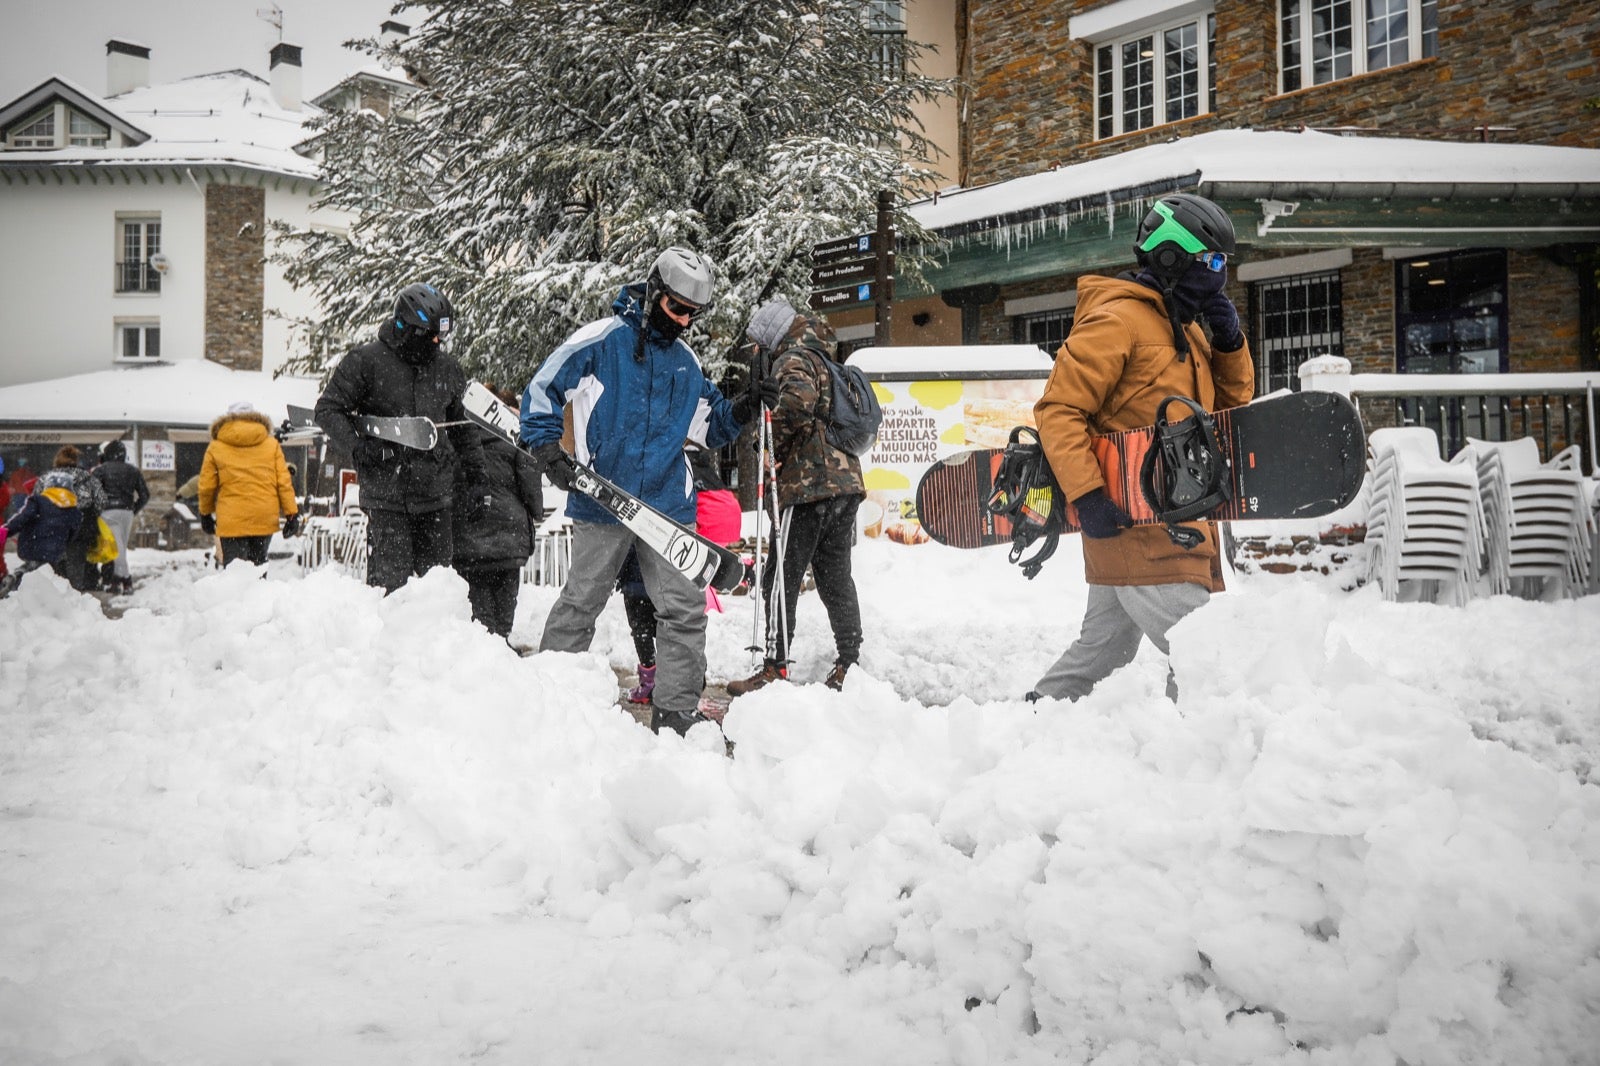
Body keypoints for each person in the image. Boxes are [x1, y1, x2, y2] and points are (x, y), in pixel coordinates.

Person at [1026, 192, 1255, 703]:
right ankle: (1206, 756)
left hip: (1178, 517)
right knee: (1205, 655)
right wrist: (1087, 497)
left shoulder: (1190, 327)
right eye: (1212, 261)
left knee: (1104, 650)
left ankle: (1036, 723)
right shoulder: (1116, 322)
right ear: (1172, 255)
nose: (1220, 274)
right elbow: (1059, 410)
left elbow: (1233, 408)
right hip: (1139, 525)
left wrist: (1228, 342)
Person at [520, 247, 758, 735]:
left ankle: (676, 712)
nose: (684, 321)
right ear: (653, 294)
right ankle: (549, 700)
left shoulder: (686, 364)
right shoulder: (602, 341)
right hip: (602, 495)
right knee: (583, 599)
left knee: (684, 609)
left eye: (693, 314)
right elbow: (545, 386)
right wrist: (544, 444)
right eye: (676, 308)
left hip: (668, 506)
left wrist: (746, 406)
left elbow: (710, 427)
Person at [726, 296, 866, 696]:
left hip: (808, 486)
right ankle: (848, 660)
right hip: (844, 485)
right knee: (835, 576)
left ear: (771, 336)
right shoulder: (826, 359)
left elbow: (795, 407)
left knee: (779, 577)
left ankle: (774, 666)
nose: (756, 352)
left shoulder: (792, 360)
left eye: (758, 343)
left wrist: (765, 446)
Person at [315, 283, 488, 593]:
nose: (437, 343)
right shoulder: (366, 361)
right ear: (406, 327)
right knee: (390, 590)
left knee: (436, 592)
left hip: (435, 497)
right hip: (386, 498)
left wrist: (477, 480)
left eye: (442, 336)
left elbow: (464, 428)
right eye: (431, 335)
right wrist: (358, 448)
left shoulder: (446, 369)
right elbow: (328, 410)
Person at [620, 444, 743, 703]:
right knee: (675, 619)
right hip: (667, 557)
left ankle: (655, 678)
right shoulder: (680, 468)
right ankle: (685, 674)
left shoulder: (641, 464)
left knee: (647, 622)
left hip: (646, 561)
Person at [451, 391, 547, 642]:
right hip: (509, 535)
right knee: (505, 597)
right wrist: (536, 511)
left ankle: (489, 647)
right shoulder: (515, 441)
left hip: (469, 533)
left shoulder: (459, 437)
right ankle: (502, 642)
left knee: (479, 601)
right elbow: (529, 481)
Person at [197, 402, 302, 568]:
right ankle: (259, 590)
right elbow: (283, 483)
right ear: (255, 419)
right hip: (263, 516)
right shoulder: (271, 445)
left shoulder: (216, 447)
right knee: (258, 568)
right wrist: (291, 514)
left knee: (234, 573)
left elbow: (206, 486)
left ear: (228, 419)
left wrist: (205, 514)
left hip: (231, 519)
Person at [0, 448, 85, 594]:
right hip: (56, 549)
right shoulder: (74, 511)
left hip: (31, 546)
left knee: (33, 568)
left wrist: (7, 530)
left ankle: (17, 580)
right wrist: (63, 541)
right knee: (47, 572)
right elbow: (73, 533)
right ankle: (32, 589)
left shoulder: (38, 501)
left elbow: (22, 518)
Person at [92, 439, 150, 593]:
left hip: (108, 512)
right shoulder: (133, 471)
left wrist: (97, 510)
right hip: (127, 512)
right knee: (121, 546)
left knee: (117, 549)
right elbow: (145, 495)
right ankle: (119, 580)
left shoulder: (100, 470)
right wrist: (133, 509)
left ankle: (125, 580)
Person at [51, 446, 106, 592]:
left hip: (55, 529)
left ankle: (58, 600)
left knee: (57, 568)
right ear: (75, 460)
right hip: (80, 529)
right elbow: (101, 502)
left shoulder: (48, 478)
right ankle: (75, 598)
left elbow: (37, 503)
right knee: (76, 566)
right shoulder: (87, 478)